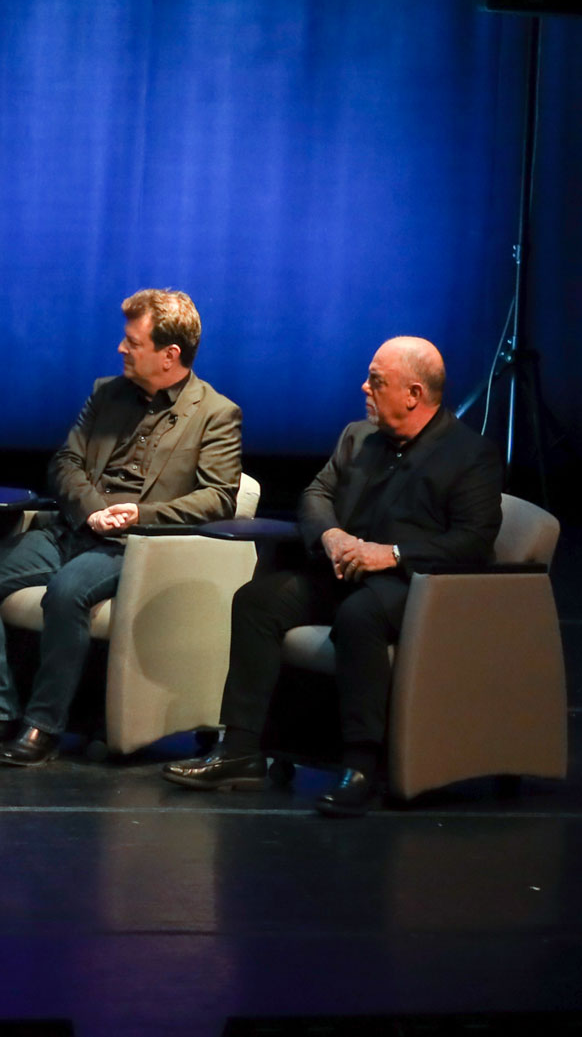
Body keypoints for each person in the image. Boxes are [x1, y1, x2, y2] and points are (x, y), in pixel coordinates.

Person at [165, 337, 500, 817]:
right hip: (344, 571)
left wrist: (395, 554)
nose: (364, 387)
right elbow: (315, 495)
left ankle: (362, 765)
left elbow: (473, 541)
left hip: (416, 585)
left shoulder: (470, 455)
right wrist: (333, 537)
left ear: (413, 393)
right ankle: (242, 749)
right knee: (260, 600)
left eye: (377, 381)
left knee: (359, 615)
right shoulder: (357, 437)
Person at [0, 289, 244, 765]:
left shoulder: (215, 414)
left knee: (66, 591)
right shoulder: (106, 393)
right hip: (74, 528)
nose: (121, 349)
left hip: (136, 547)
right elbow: (65, 462)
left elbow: (218, 498)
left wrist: (139, 516)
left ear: (170, 356)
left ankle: (44, 726)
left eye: (132, 342)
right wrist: (93, 509)